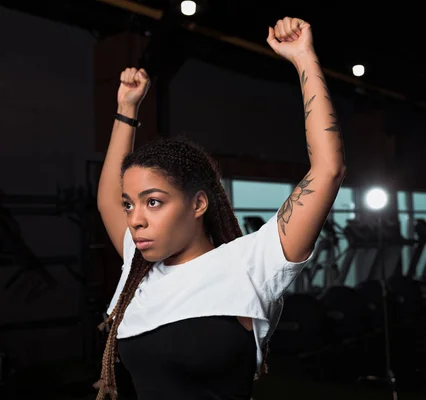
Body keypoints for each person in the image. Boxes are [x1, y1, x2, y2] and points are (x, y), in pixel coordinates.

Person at [93, 16, 346, 400]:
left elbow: (327, 170)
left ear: (198, 203)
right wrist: (127, 109)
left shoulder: (246, 265)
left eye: (154, 202)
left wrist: (304, 59)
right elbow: (107, 199)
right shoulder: (139, 268)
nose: (135, 219)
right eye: (130, 205)